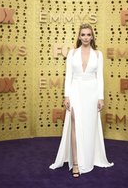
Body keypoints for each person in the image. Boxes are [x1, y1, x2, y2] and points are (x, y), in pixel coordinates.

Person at [49, 23, 114, 177]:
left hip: (91, 93)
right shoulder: (72, 53)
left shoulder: (98, 54)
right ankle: (76, 163)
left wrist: (101, 97)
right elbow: (68, 76)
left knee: (89, 126)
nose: (85, 37)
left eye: (88, 34)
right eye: (83, 34)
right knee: (75, 123)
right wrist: (66, 96)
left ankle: (89, 157)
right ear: (79, 37)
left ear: (92, 37)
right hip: (75, 91)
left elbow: (100, 78)